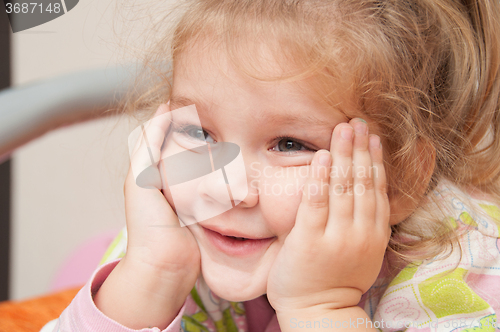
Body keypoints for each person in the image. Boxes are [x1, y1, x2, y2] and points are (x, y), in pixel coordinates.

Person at [41, 0, 500, 331]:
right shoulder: (169, 239)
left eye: (288, 144)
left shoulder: (463, 275)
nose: (224, 189)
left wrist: (319, 309)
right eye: (200, 134)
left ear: (402, 180)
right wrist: (151, 277)